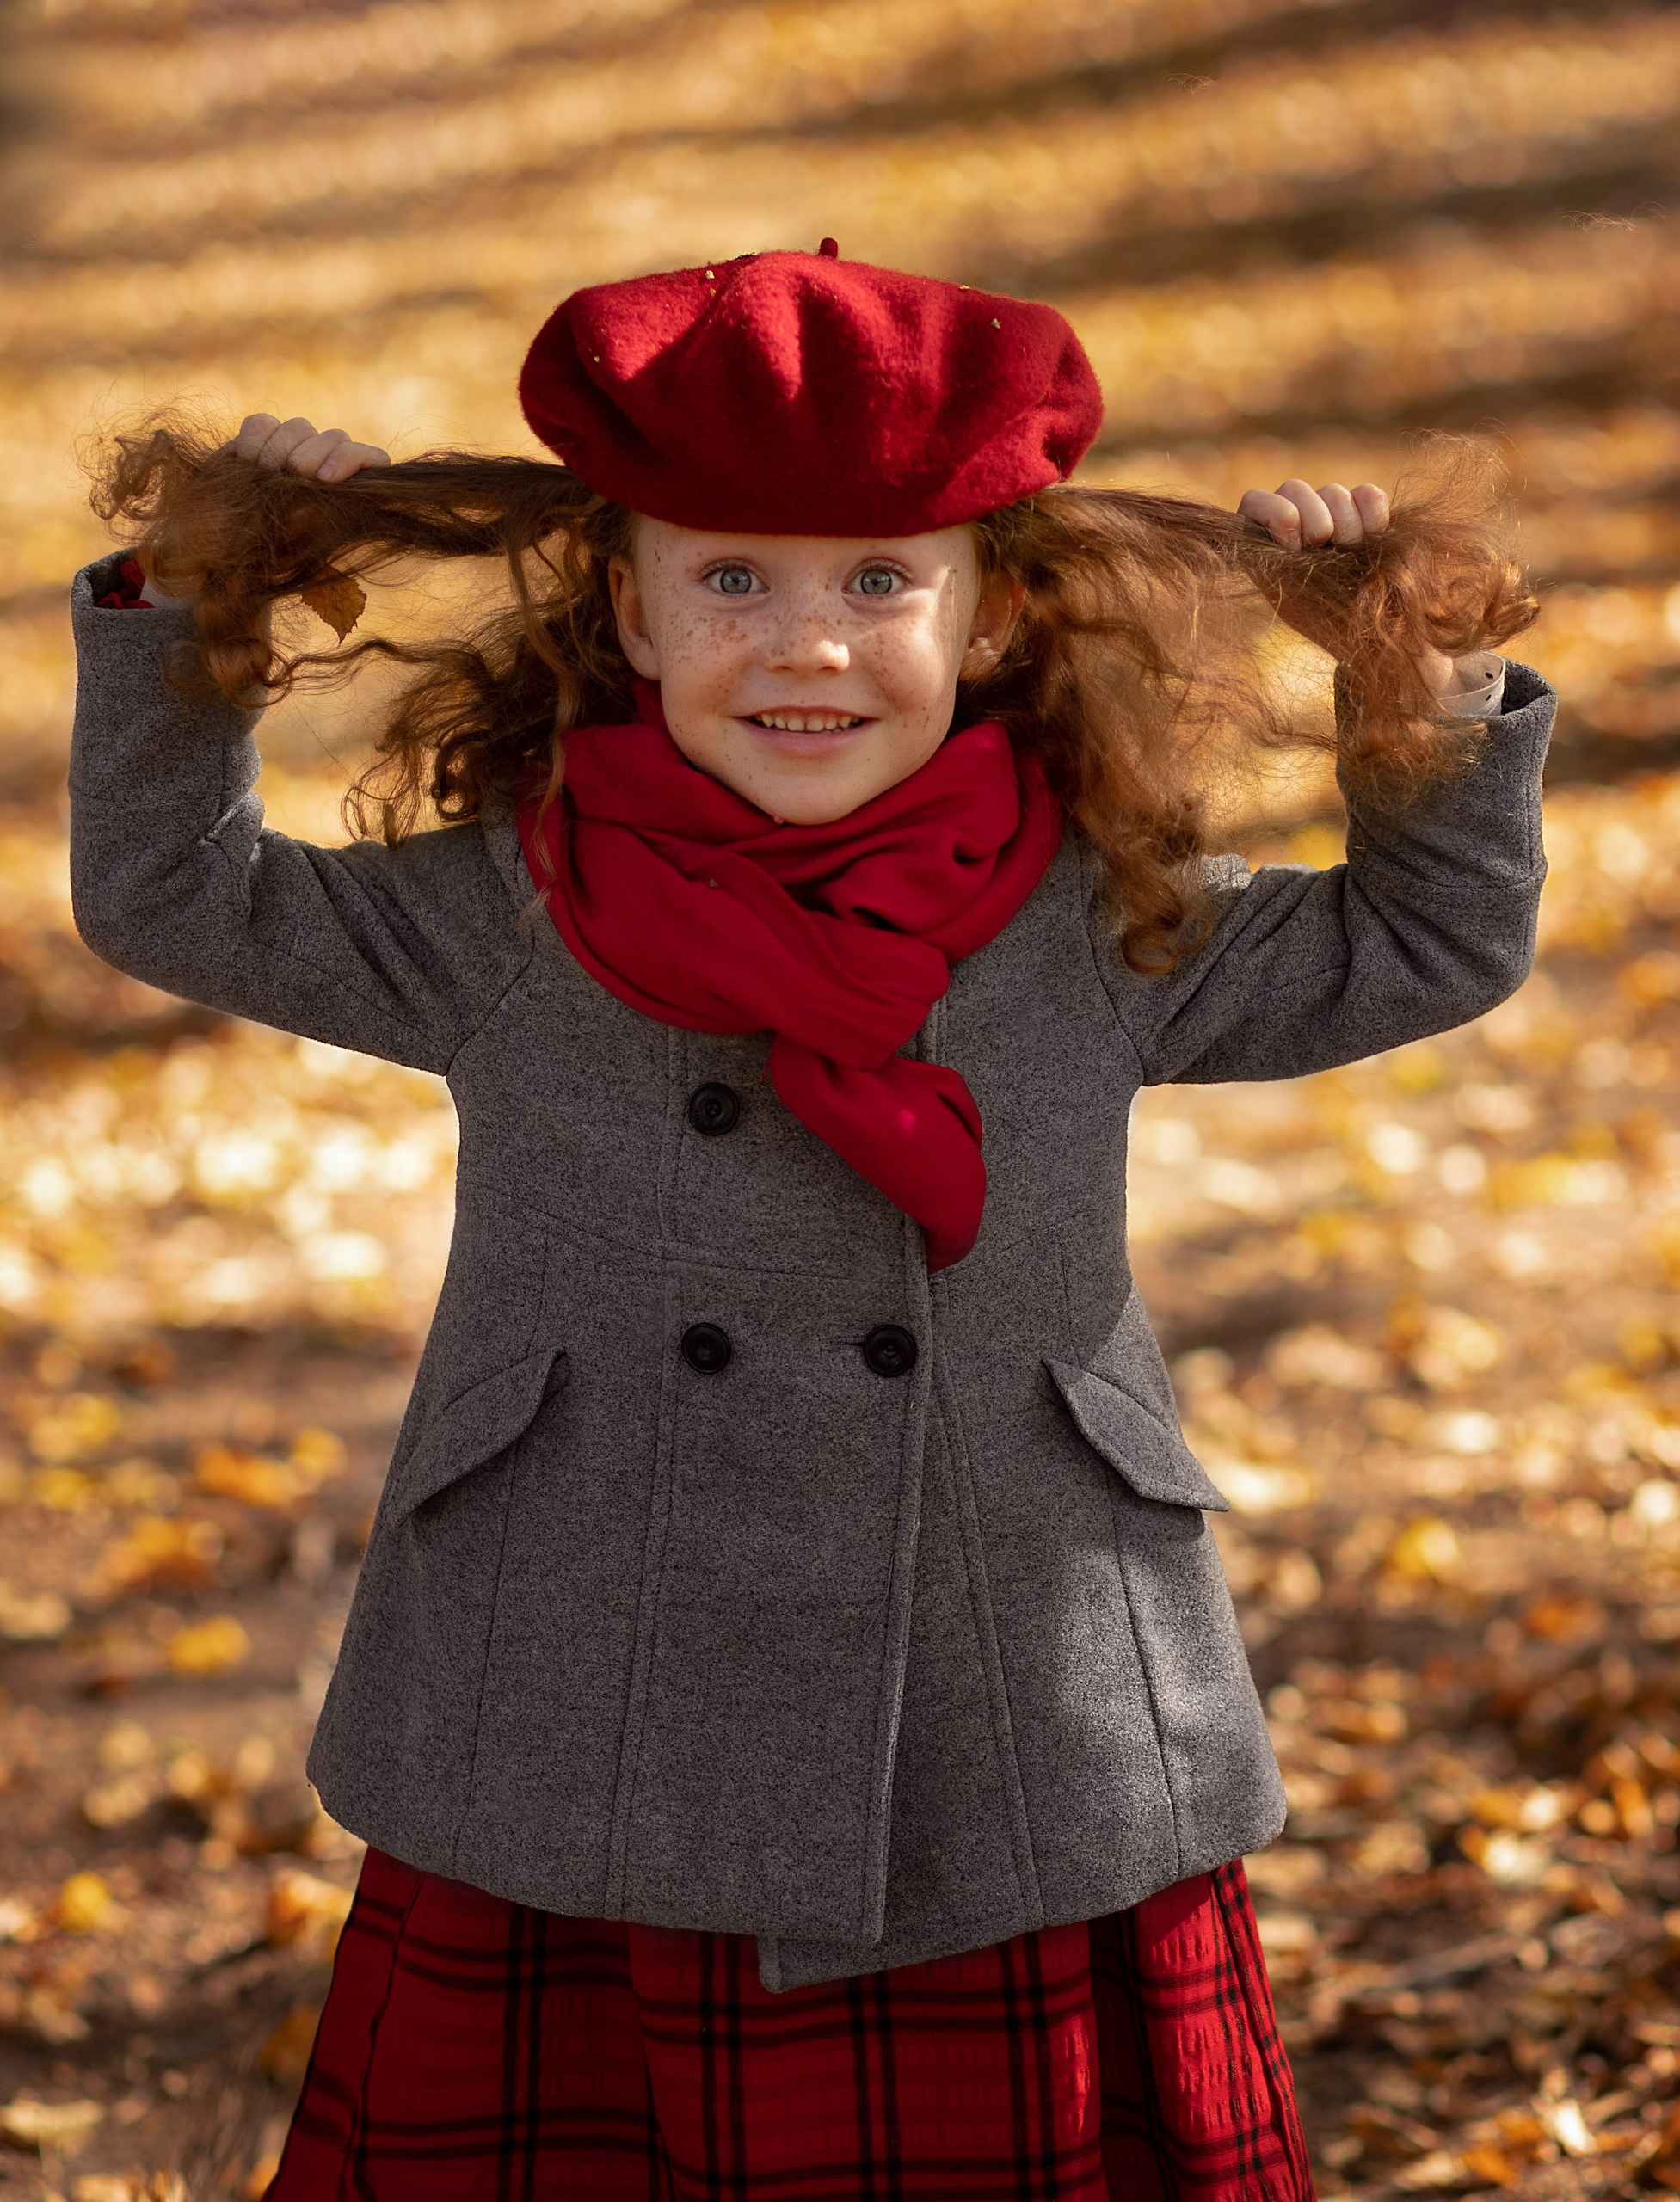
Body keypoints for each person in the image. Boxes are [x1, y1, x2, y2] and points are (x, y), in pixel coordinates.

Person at [70, 242, 1550, 2200]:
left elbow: (1424, 938)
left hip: (1006, 1690)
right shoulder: (503, 914)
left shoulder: (1088, 915)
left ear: (988, 610)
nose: (806, 645)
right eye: (731, 579)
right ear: (628, 601)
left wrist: (1408, 689)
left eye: (878, 581)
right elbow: (172, 895)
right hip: (590, 1673)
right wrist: (204, 605)